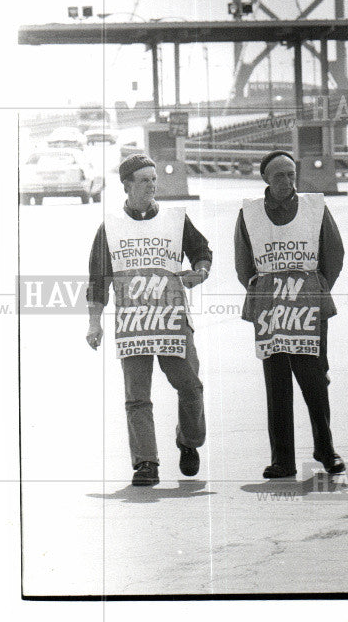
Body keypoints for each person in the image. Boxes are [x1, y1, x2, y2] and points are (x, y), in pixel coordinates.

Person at [86, 153, 212, 487]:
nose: (151, 186)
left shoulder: (175, 219)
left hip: (172, 320)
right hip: (133, 325)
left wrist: (200, 272)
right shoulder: (110, 227)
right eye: (143, 180)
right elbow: (98, 279)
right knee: (137, 397)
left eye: (154, 179)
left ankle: (188, 440)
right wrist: (94, 322)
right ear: (126, 186)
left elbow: (201, 251)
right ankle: (145, 462)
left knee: (191, 388)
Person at [234, 150, 345, 479]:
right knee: (277, 384)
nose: (287, 181)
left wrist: (318, 287)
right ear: (265, 179)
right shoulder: (250, 212)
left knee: (314, 380)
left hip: (308, 304)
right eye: (279, 175)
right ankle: (282, 459)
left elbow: (333, 252)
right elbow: (243, 261)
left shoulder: (315, 207)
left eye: (291, 174)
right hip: (270, 307)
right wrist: (262, 290)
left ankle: (326, 449)